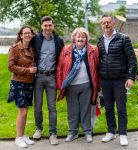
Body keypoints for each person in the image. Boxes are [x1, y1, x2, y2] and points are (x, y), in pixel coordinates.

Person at [97, 14, 137, 146]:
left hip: (120, 80)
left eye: (108, 22)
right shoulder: (100, 41)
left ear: (113, 23)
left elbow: (131, 59)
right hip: (105, 81)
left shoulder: (123, 38)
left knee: (121, 108)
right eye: (104, 23)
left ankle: (123, 134)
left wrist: (130, 77)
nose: (106, 25)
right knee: (108, 107)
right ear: (101, 25)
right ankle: (111, 132)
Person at [57, 27, 100, 143]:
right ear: (74, 38)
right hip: (70, 86)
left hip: (87, 86)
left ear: (86, 39)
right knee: (72, 110)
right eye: (78, 36)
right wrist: (60, 84)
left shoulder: (93, 50)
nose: (80, 38)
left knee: (86, 110)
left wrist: (98, 85)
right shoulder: (66, 49)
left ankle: (87, 132)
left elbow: (97, 68)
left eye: (83, 36)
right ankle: (73, 132)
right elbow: (60, 68)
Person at [31, 16, 64, 145]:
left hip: (51, 77)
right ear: (41, 26)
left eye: (50, 25)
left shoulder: (58, 40)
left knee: (52, 107)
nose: (48, 28)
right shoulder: (35, 39)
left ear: (53, 26)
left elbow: (62, 59)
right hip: (38, 76)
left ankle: (53, 133)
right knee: (37, 106)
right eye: (45, 25)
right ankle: (39, 128)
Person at [7, 26, 37, 148]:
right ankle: (18, 137)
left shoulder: (33, 48)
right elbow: (10, 67)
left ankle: (23, 135)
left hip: (29, 83)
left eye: (29, 33)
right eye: (25, 33)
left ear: (32, 35)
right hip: (18, 82)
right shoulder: (14, 48)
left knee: (26, 110)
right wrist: (28, 70)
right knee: (22, 111)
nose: (27, 35)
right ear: (20, 35)